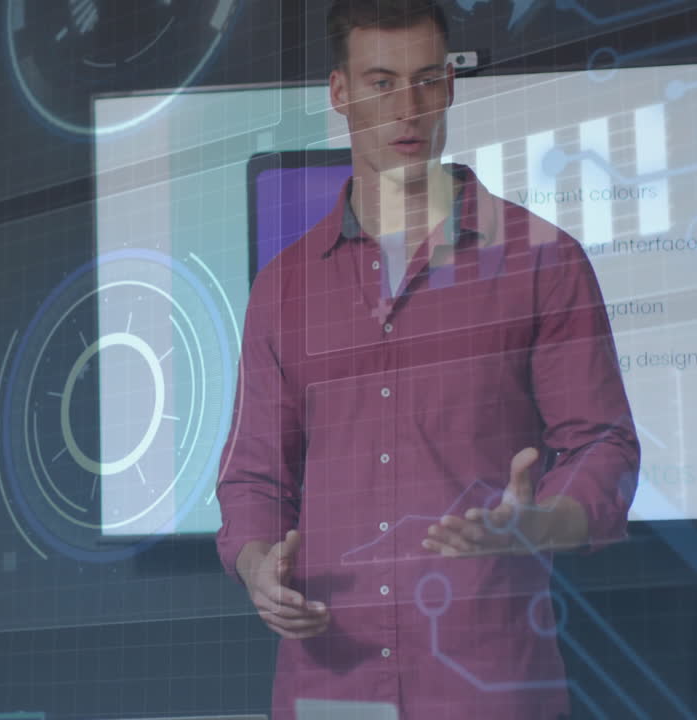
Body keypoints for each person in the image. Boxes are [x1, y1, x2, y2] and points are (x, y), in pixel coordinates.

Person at [215, 1, 640, 718]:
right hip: (329, 683)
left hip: (489, 683)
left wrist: (542, 524)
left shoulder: (543, 260)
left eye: (425, 81)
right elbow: (254, 475)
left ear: (449, 86)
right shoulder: (283, 286)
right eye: (381, 82)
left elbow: (605, 445)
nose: (407, 109)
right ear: (340, 92)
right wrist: (260, 569)